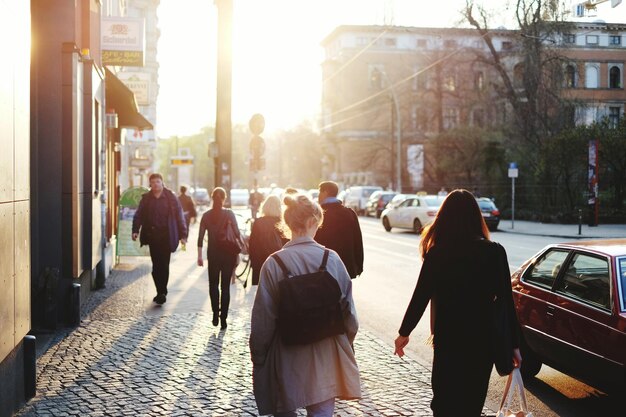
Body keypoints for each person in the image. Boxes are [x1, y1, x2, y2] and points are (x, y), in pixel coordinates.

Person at [393, 189, 522, 417]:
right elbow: (505, 302)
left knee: (444, 402)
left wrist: (405, 333)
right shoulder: (494, 253)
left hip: (448, 339)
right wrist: (514, 345)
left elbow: (420, 296)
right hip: (482, 341)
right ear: (476, 217)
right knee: (471, 403)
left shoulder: (437, 254)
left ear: (445, 218)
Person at [250, 194, 361, 417]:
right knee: (321, 411)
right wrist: (345, 342)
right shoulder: (331, 259)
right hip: (325, 352)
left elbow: (263, 318)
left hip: (287, 353)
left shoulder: (273, 263)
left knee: (284, 407)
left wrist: (259, 356)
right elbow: (349, 312)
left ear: (288, 224)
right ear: (313, 222)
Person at [132, 173, 188, 305]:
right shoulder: (146, 199)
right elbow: (138, 215)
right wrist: (135, 230)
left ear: (162, 183)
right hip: (152, 237)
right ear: (150, 184)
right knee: (156, 266)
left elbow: (180, 217)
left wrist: (183, 235)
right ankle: (160, 291)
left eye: (158, 181)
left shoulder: (171, 198)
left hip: (167, 236)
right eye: (153, 182)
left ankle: (162, 292)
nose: (156, 184)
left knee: (164, 265)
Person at [197, 187, 241, 330]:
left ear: (212, 198)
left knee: (213, 285)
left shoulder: (206, 216)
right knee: (225, 287)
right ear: (224, 198)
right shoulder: (229, 214)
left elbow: (200, 237)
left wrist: (199, 256)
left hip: (213, 254)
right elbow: (237, 233)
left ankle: (215, 313)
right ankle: (224, 319)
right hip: (228, 254)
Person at [314, 181, 364, 279]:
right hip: (346, 266)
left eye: (320, 192)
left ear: (325, 192)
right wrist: (358, 265)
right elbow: (357, 241)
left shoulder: (320, 214)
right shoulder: (349, 213)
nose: (318, 195)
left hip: (324, 267)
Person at [248, 194, 288, 286]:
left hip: (261, 263)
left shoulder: (258, 222)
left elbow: (253, 245)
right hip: (279, 263)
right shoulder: (282, 223)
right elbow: (287, 243)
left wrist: (254, 263)